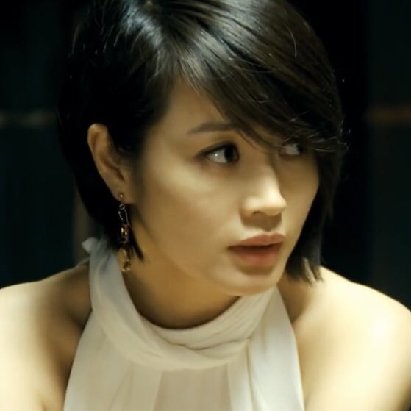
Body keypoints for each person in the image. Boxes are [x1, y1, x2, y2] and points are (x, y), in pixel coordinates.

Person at [1, 0, 411, 410]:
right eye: (222, 154)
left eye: (293, 147)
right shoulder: (18, 338)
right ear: (114, 162)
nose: (271, 201)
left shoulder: (366, 337)